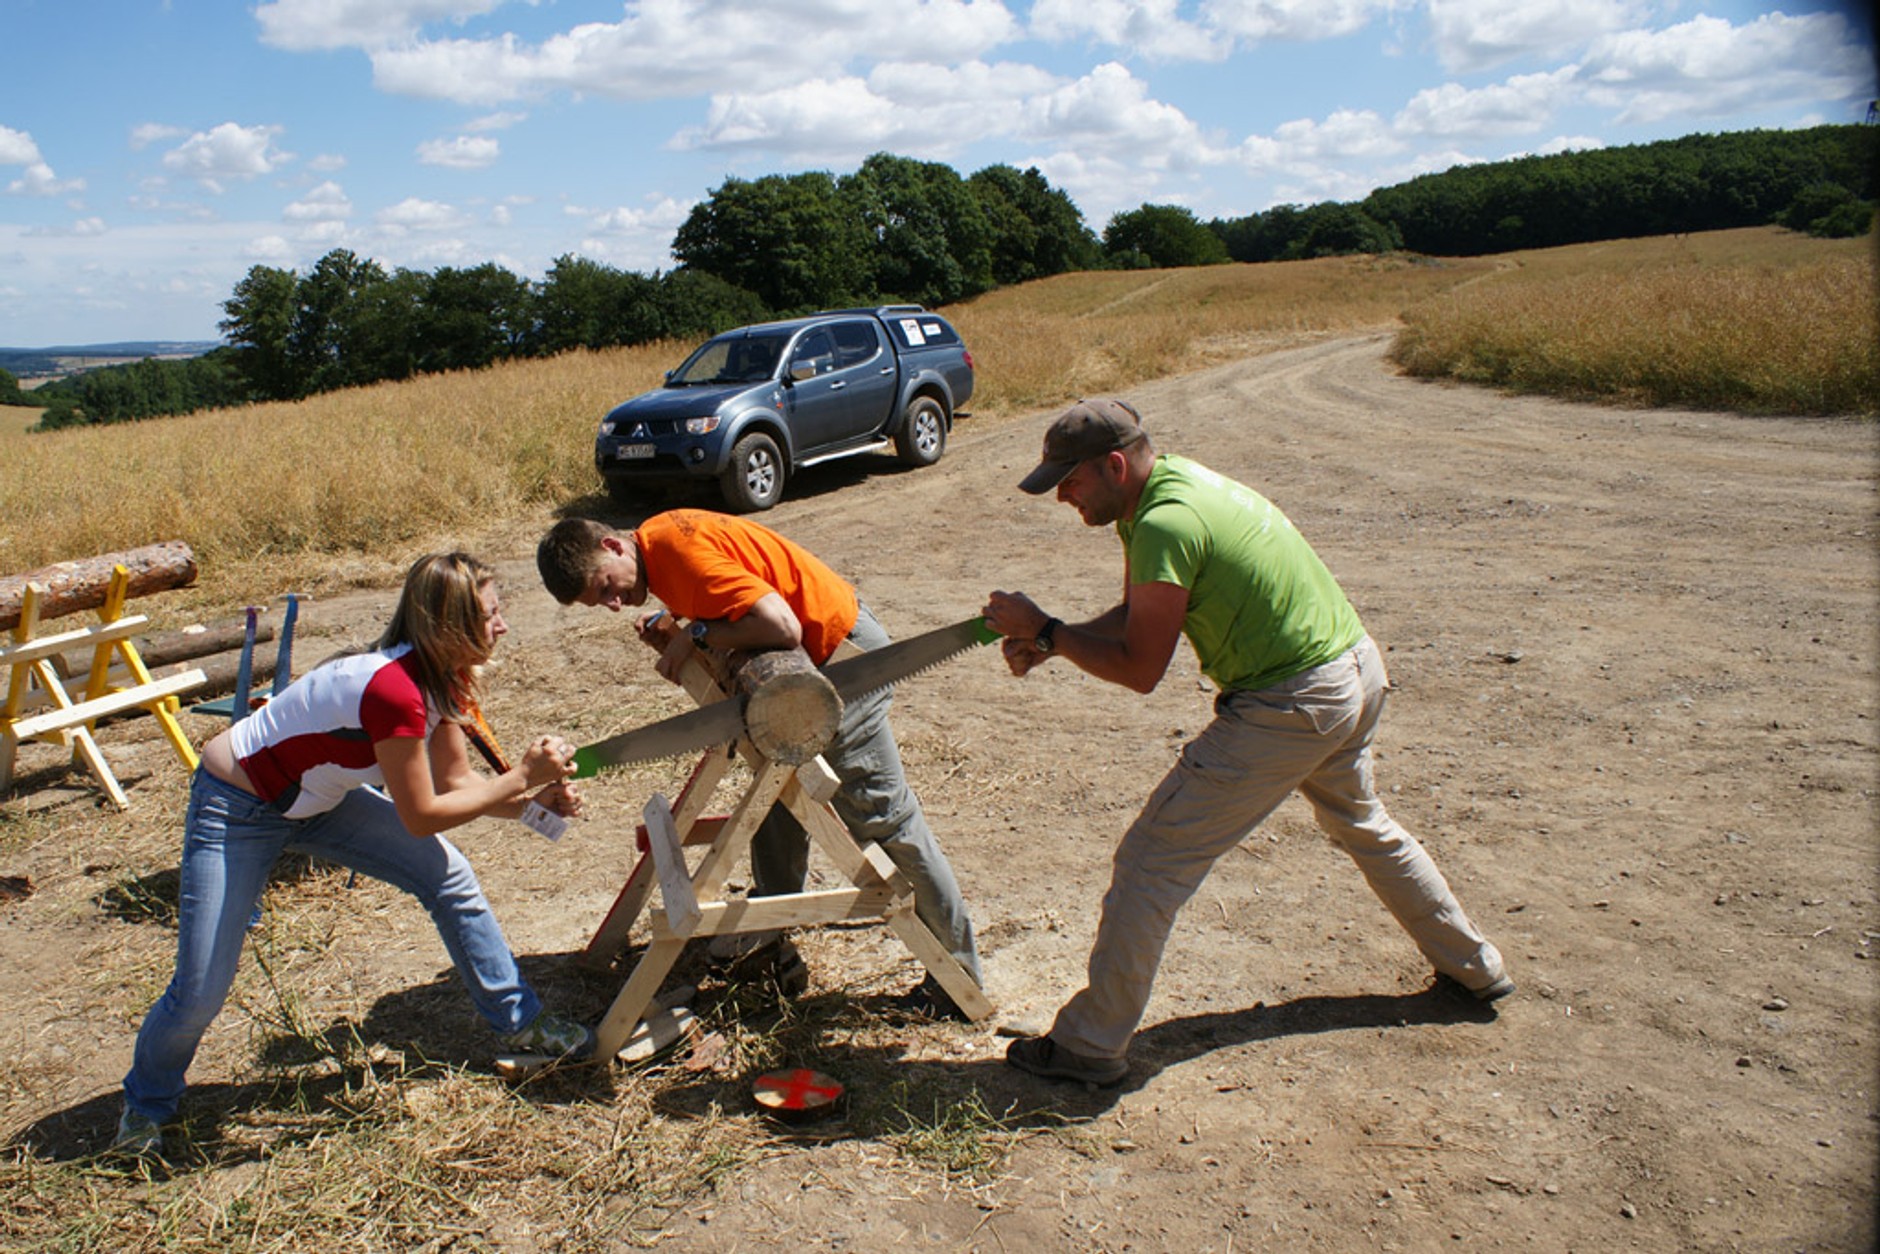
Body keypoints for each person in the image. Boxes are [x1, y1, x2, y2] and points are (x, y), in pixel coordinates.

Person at [982, 398, 1511, 1087]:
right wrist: (1058, 640)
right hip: (1352, 670)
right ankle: (1476, 968)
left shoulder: (1164, 522)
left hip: (1292, 702)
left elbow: (1141, 669)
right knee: (1363, 823)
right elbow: (1140, 613)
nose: (1062, 495)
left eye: (1069, 480)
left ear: (1113, 465)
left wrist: (1050, 630)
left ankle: (1088, 1045)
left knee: (1150, 862)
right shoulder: (1171, 490)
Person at [116, 553, 590, 1155]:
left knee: (448, 876)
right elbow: (421, 816)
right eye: (490, 615)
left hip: (318, 801)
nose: (503, 626)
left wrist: (530, 803)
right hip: (236, 807)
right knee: (202, 989)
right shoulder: (394, 691)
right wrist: (521, 775)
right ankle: (146, 1105)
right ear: (449, 626)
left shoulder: (440, 680)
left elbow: (456, 786)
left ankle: (522, 1023)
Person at [536, 512, 981, 1015]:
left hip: (842, 659)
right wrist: (683, 627)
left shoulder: (680, 558)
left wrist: (696, 634)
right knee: (777, 801)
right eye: (599, 603)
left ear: (613, 546)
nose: (614, 604)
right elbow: (727, 600)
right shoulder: (658, 544)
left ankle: (958, 978)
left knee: (884, 819)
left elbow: (782, 627)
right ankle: (768, 937)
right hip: (810, 668)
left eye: (605, 588)